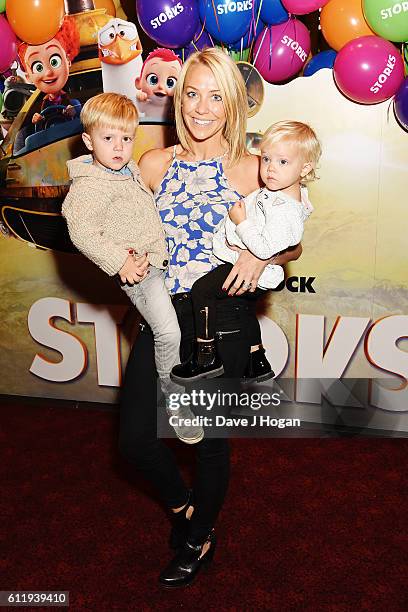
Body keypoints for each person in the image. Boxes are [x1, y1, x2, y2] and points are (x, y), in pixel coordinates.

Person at [118, 48, 302, 588]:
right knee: (134, 440)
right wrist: (128, 254)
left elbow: (292, 240)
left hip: (216, 319)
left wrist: (262, 255)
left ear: (232, 104)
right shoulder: (154, 164)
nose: (201, 107)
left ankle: (199, 541)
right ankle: (186, 511)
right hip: (160, 315)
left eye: (215, 95)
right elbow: (133, 231)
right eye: (191, 93)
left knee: (209, 446)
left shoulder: (254, 167)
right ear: (179, 97)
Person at [62, 92, 203, 445]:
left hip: (156, 262)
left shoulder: (127, 170)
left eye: (126, 138)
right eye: (108, 139)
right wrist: (119, 261)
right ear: (88, 141)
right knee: (169, 334)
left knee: (176, 329)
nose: (119, 147)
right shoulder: (90, 185)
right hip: (141, 271)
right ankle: (176, 404)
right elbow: (80, 231)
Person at [171, 120, 322, 384]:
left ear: (305, 167)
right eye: (266, 159)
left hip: (247, 271)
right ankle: (257, 359)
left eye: (282, 162)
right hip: (230, 272)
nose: (271, 169)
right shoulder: (279, 194)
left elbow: (265, 248)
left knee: (203, 291)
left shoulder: (287, 208)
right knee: (246, 305)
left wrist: (241, 223)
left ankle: (206, 355)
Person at [18, 17, 81, 127]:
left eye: (54, 61)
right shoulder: (41, 106)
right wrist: (37, 122)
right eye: (38, 67)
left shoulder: (74, 104)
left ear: (68, 60)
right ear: (28, 76)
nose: (48, 72)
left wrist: (75, 114)